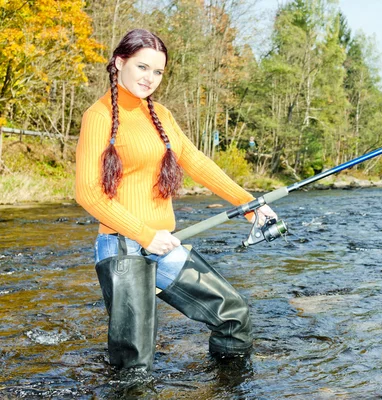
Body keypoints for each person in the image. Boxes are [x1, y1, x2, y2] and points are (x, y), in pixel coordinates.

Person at [75, 29, 276, 372]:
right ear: (119, 62)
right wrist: (144, 234)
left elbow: (197, 162)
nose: (149, 78)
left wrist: (249, 204)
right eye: (142, 67)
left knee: (233, 315)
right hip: (123, 248)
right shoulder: (99, 117)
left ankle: (227, 389)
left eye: (158, 72)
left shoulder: (162, 115)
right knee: (134, 365)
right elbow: (88, 193)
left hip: (164, 246)